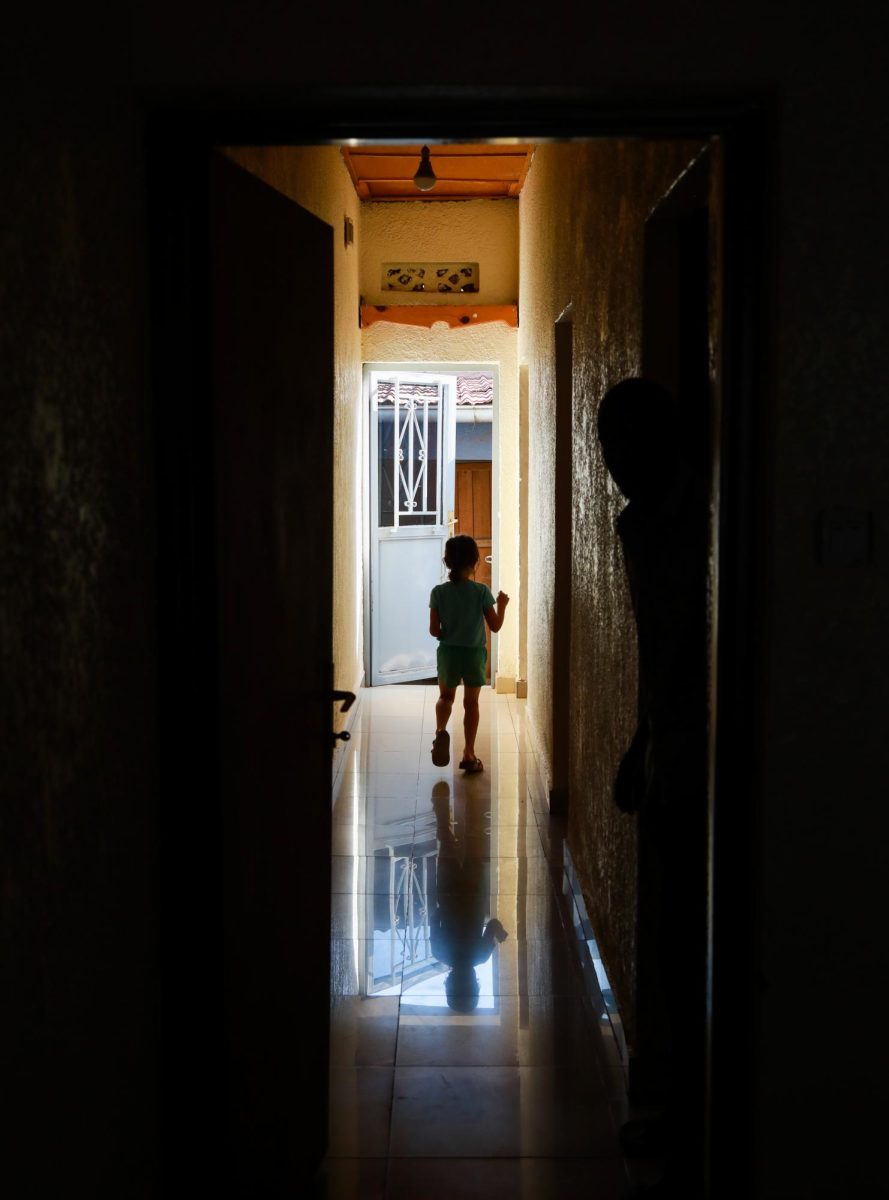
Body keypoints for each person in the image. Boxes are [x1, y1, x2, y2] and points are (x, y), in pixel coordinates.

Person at [596, 377, 709, 1200]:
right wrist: (642, 742)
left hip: (712, 752)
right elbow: (661, 651)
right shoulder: (636, 527)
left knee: (694, 938)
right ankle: (684, 1104)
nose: (614, 465)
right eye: (606, 450)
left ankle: (698, 1116)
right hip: (673, 753)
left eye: (629, 446)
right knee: (677, 936)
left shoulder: (709, 519)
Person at [429, 534, 509, 772]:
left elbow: (434, 631)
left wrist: (446, 631)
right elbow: (495, 626)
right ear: (475, 562)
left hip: (448, 653)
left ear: (447, 562)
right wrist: (502, 605)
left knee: (445, 698)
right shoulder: (481, 592)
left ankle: (440, 732)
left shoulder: (438, 592)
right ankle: (469, 754)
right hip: (473, 654)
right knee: (471, 703)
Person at [428, 782, 509, 1012]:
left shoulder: (481, 956)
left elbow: (492, 924)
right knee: (447, 843)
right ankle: (442, 809)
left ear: (475, 984)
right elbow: (434, 918)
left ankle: (472, 799)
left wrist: (500, 932)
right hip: (449, 892)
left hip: (474, 893)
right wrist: (448, 909)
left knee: (474, 841)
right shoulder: (440, 952)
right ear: (449, 984)